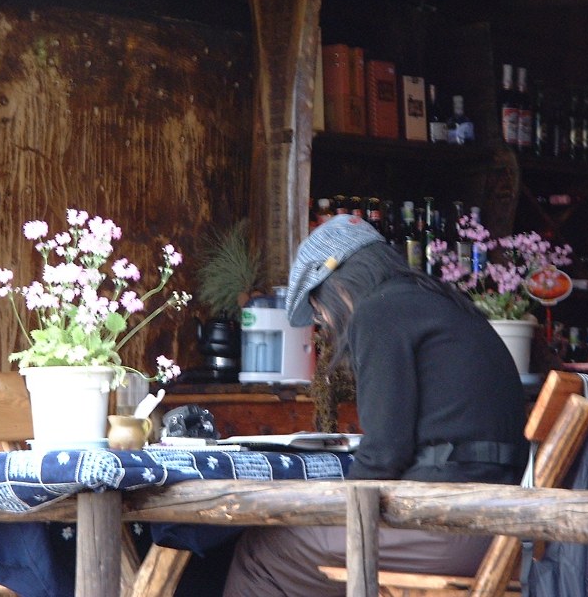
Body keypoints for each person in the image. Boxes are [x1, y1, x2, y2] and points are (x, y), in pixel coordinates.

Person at [223, 213, 529, 597]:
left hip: (447, 526)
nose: (323, 321)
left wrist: (335, 506)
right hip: (498, 522)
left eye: (317, 307)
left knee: (261, 552)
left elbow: (384, 452)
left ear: (337, 283)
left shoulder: (379, 312)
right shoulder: (443, 302)